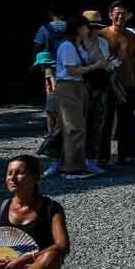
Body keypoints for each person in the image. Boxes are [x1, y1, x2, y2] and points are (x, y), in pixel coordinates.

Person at [51, 14, 109, 178]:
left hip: (79, 87)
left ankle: (75, 164)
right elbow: (71, 70)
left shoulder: (80, 45)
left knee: (79, 127)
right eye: (85, 27)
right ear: (78, 28)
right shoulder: (67, 46)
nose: (88, 30)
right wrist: (95, 66)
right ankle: (71, 169)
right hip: (69, 87)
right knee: (73, 128)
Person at [100, 1, 135, 167]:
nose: (120, 17)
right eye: (117, 14)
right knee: (106, 120)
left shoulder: (132, 36)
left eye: (123, 14)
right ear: (110, 15)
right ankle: (102, 156)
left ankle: (126, 155)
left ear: (128, 16)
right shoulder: (102, 34)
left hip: (128, 81)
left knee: (127, 119)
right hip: (108, 82)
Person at [78, 9, 116, 173]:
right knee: (77, 123)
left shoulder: (103, 42)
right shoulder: (77, 43)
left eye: (96, 27)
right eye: (90, 27)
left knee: (98, 122)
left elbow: (105, 64)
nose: (93, 30)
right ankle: (71, 159)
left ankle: (92, 158)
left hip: (100, 84)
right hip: (81, 85)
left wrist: (111, 64)